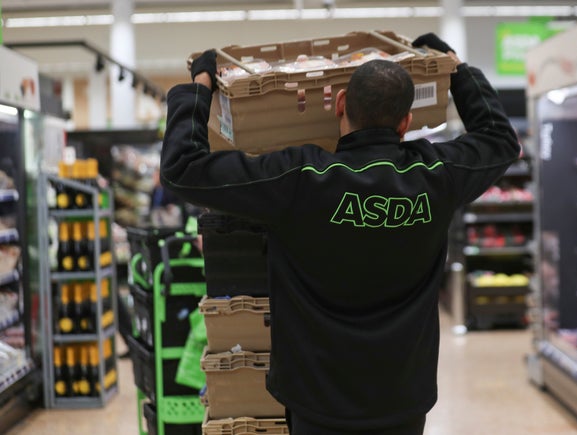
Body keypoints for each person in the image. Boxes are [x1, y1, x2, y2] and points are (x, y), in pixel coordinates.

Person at [160, 33, 520, 435]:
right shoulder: (436, 176)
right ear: (405, 122)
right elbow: (501, 140)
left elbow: (183, 167)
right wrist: (457, 70)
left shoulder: (300, 178)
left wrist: (202, 85)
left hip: (317, 402)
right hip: (402, 399)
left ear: (341, 105)